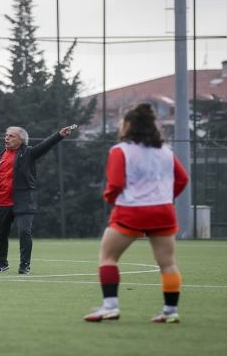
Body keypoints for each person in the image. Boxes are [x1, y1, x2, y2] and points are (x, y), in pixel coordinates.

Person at [84, 103, 188, 323]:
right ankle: (171, 311)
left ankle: (110, 307)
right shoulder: (166, 151)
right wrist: (165, 199)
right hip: (163, 211)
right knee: (168, 263)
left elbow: (116, 183)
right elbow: (182, 179)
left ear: (129, 125)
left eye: (122, 122)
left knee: (108, 257)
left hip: (131, 211)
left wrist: (110, 198)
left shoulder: (120, 151)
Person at [0, 125, 74, 274]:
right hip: (2, 201)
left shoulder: (28, 153)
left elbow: (45, 145)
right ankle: (2, 262)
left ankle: (24, 265)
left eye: (11, 136)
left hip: (23, 201)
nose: (7, 138)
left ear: (21, 140)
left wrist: (59, 135)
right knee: (1, 233)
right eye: (7, 135)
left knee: (24, 231)